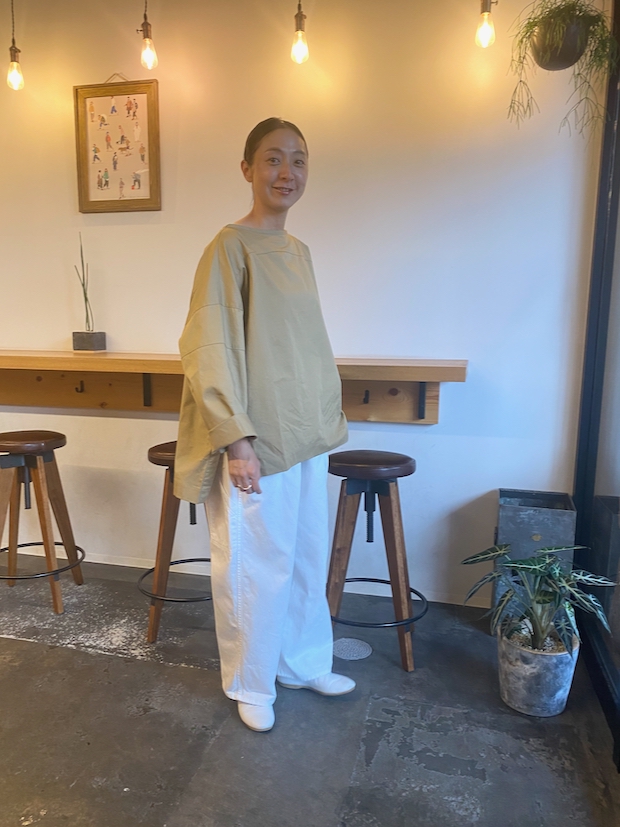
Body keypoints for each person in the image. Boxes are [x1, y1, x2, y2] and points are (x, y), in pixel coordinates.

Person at [174, 118, 351, 733]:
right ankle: (251, 681)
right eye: (273, 159)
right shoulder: (229, 247)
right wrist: (237, 439)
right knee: (255, 561)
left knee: (304, 554)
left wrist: (325, 418)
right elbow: (210, 345)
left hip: (305, 434)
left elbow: (303, 346)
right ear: (247, 168)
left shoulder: (298, 252)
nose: (287, 172)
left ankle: (302, 662)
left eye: (299, 160)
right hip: (257, 439)